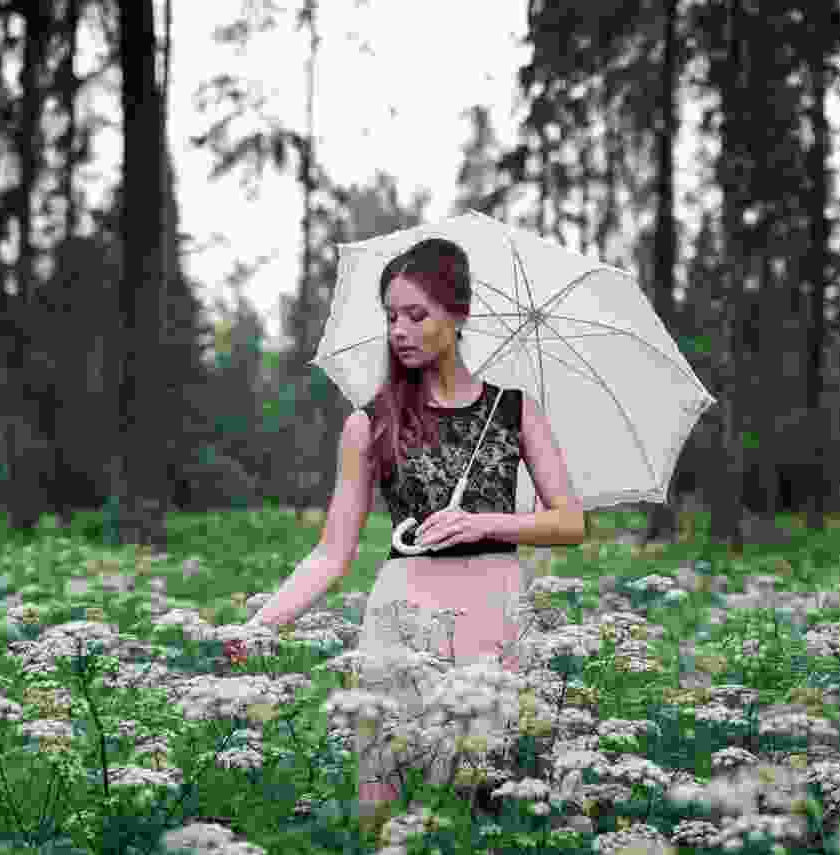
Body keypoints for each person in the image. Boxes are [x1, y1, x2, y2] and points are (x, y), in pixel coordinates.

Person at [227, 237, 585, 815]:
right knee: (387, 800)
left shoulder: (515, 410)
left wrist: (483, 524)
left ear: (459, 315)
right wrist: (260, 626)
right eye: (391, 316)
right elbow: (331, 554)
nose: (400, 330)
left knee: (495, 798)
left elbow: (570, 522)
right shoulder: (369, 423)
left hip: (495, 614)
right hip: (402, 619)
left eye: (417, 315)